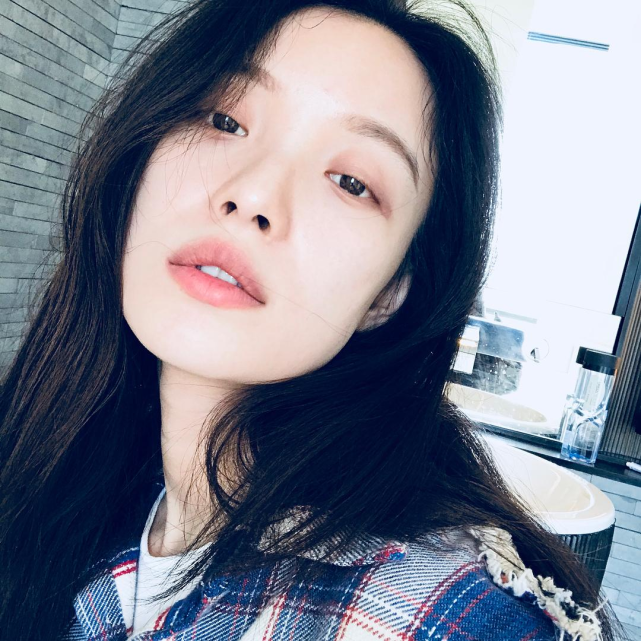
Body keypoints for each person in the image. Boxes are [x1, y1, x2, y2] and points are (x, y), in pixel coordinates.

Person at [0, 0, 627, 639]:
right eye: (224, 120)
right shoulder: (71, 487)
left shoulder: (441, 618)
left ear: (391, 292)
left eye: (351, 182)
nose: (253, 195)